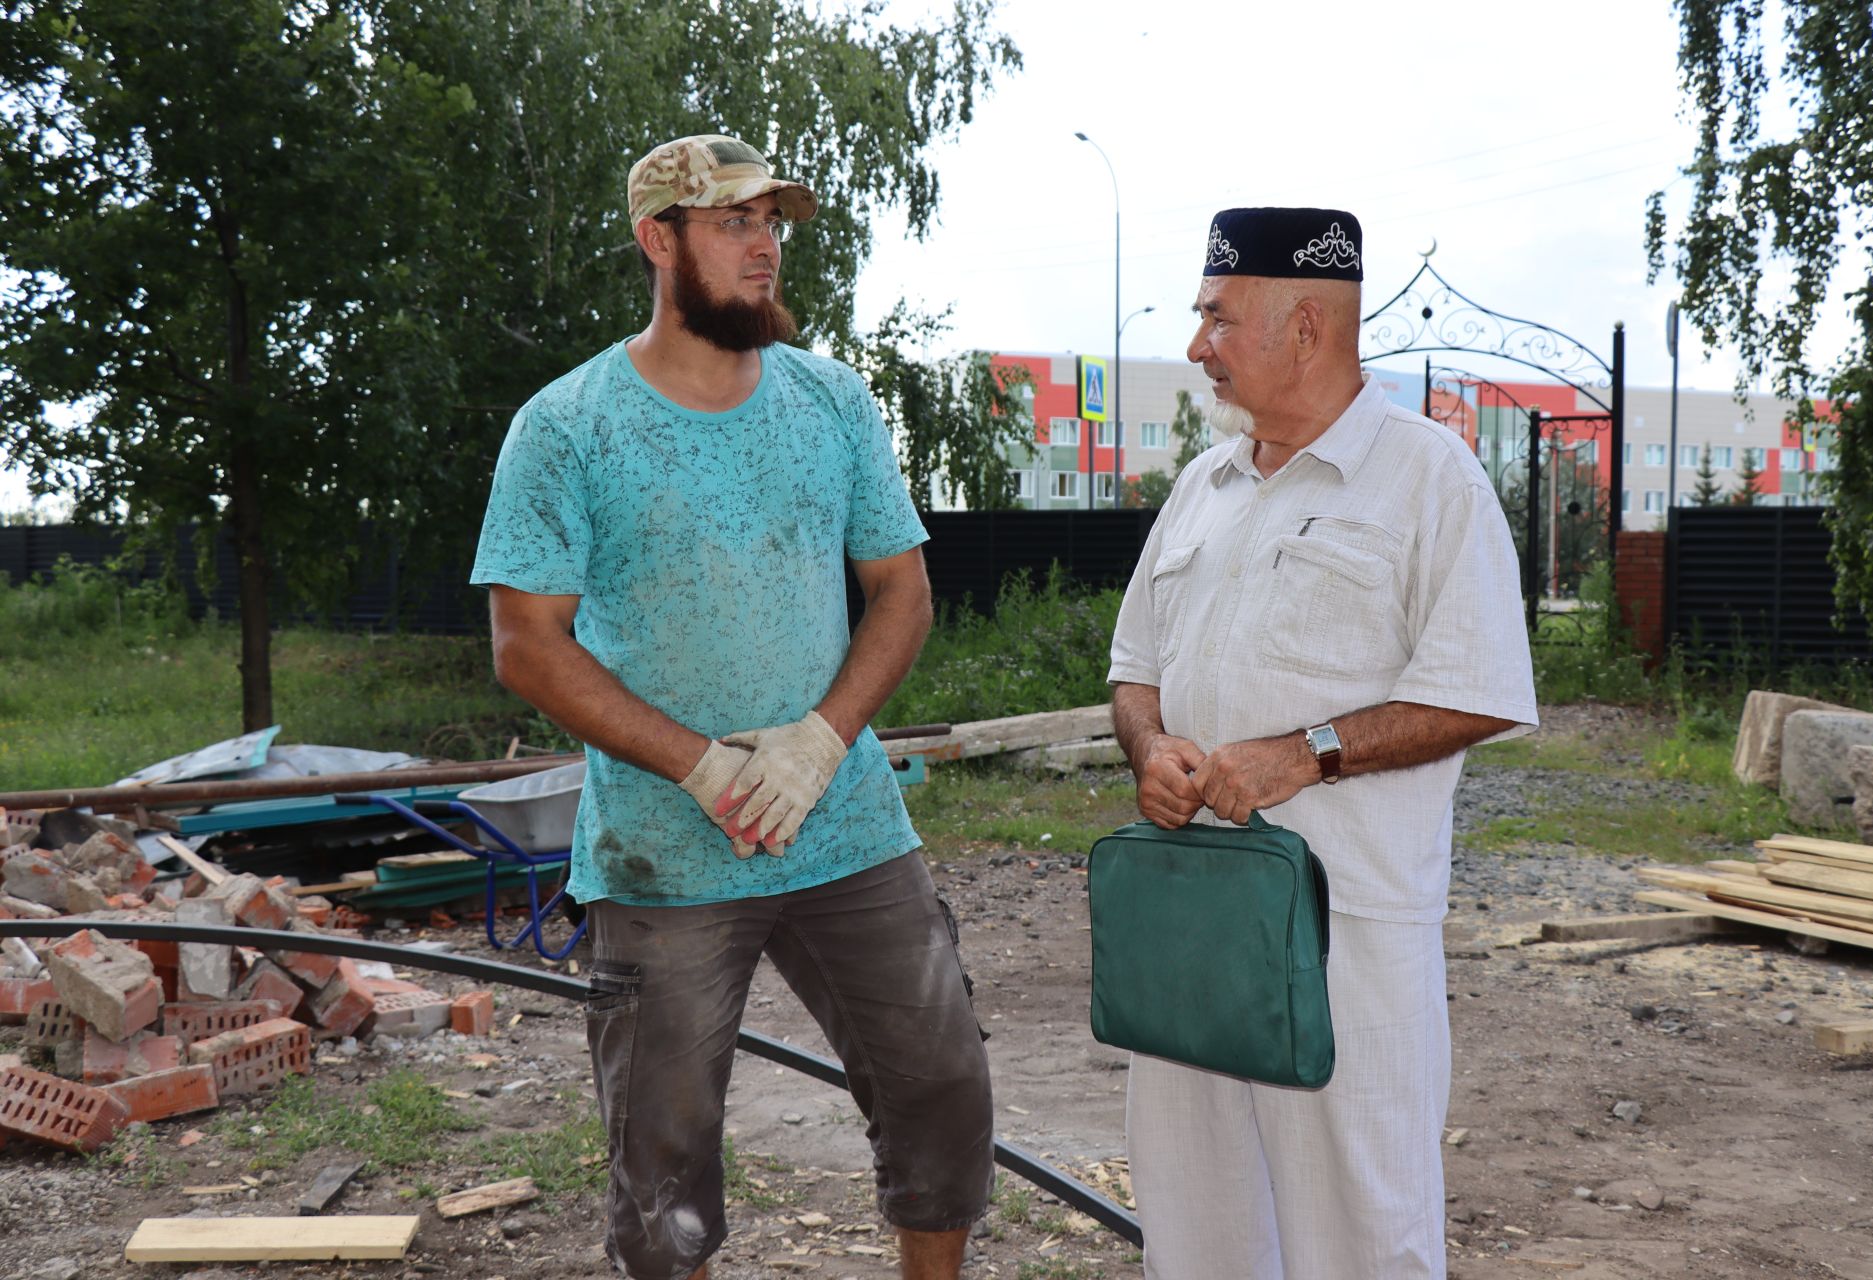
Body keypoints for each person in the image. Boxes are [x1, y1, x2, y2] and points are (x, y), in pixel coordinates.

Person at [470, 134, 992, 1280]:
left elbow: (901, 593)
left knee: (943, 1087)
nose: (766, 247)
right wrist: (703, 766)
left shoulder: (830, 399)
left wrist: (819, 739)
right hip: (667, 851)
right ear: (659, 240)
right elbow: (528, 646)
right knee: (663, 1172)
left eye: (774, 223)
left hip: (843, 823)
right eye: (734, 223)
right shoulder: (569, 426)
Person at [1106, 206, 1539, 1279]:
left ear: (1305, 325)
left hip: (1351, 936)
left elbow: (1480, 691)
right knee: (1195, 1226)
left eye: (1216, 316)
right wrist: (1149, 744)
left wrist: (1307, 752)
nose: (1198, 344)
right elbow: (1133, 671)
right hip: (1195, 928)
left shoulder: (1430, 477)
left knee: (1361, 1233)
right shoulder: (1203, 486)